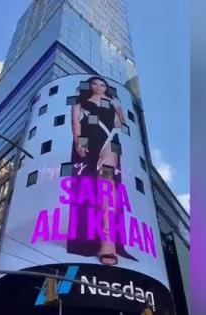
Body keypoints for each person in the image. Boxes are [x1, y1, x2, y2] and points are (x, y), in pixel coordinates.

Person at [66, 76, 136, 266]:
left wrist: (118, 111)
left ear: (106, 88)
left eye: (102, 84)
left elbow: (122, 123)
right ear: (90, 86)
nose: (98, 87)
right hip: (88, 140)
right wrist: (79, 142)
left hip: (109, 141)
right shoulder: (80, 101)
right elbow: (76, 124)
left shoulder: (113, 101)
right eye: (95, 84)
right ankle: (89, 237)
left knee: (107, 185)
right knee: (86, 187)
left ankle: (108, 242)